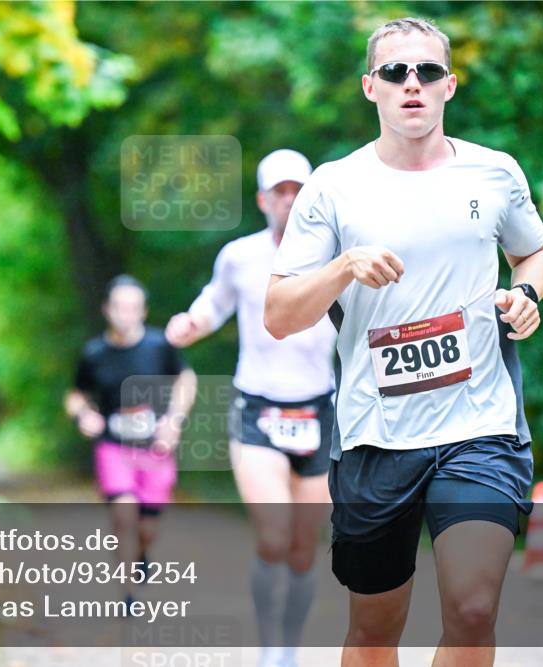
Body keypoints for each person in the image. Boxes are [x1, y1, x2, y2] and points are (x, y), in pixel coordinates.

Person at [264, 17, 543, 667]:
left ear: (449, 85)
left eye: (427, 71)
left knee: (474, 608)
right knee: (374, 630)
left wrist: (527, 294)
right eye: (396, 72)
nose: (412, 84)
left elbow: (536, 252)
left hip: (481, 426)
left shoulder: (494, 172)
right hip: (376, 437)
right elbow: (279, 314)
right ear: (371, 87)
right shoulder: (333, 188)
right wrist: (343, 267)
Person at [166, 149, 337, 667]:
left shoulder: (336, 256)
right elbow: (213, 303)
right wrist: (191, 323)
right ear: (263, 200)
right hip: (258, 409)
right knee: (274, 535)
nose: (288, 201)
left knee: (305, 549)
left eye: (297, 191)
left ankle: (290, 637)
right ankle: (272, 649)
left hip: (318, 411)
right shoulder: (240, 256)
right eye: (278, 192)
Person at [66, 275, 197, 608]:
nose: (127, 314)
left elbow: (186, 379)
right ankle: (127, 593)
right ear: (107, 310)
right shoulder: (94, 353)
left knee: (147, 525)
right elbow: (75, 395)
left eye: (134, 308)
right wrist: (84, 415)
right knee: (124, 513)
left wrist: (174, 420)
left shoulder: (159, 346)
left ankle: (141, 554)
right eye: (120, 307)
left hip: (154, 447)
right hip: (114, 445)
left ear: (143, 311)